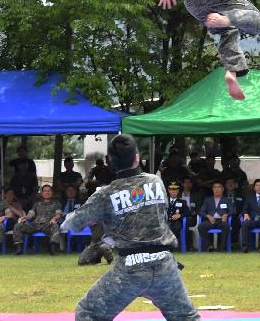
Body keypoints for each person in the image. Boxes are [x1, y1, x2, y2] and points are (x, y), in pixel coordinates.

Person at [60, 134, 200, 321]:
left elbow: (72, 224)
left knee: (88, 313)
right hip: (164, 264)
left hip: (130, 268)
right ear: (137, 158)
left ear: (109, 161)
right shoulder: (155, 182)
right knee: (186, 317)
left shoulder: (105, 194)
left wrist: (76, 217)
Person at [12, 184, 62, 255]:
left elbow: (58, 214)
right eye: (45, 191)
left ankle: (52, 249)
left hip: (47, 224)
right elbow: (31, 213)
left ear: (52, 192)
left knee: (55, 226)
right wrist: (26, 217)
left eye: (49, 191)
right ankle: (19, 248)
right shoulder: (37, 203)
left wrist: (55, 218)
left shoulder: (56, 203)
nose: (47, 193)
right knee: (18, 225)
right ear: (42, 193)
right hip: (35, 225)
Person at [198, 180, 232, 252]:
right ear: (212, 189)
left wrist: (226, 214)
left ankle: (223, 248)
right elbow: (201, 211)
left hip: (221, 220)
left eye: (219, 187)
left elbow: (232, 211)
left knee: (226, 226)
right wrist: (208, 216)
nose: (217, 189)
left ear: (222, 189)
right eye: (215, 187)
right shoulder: (207, 199)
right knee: (201, 226)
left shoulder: (227, 200)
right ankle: (209, 246)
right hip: (211, 220)